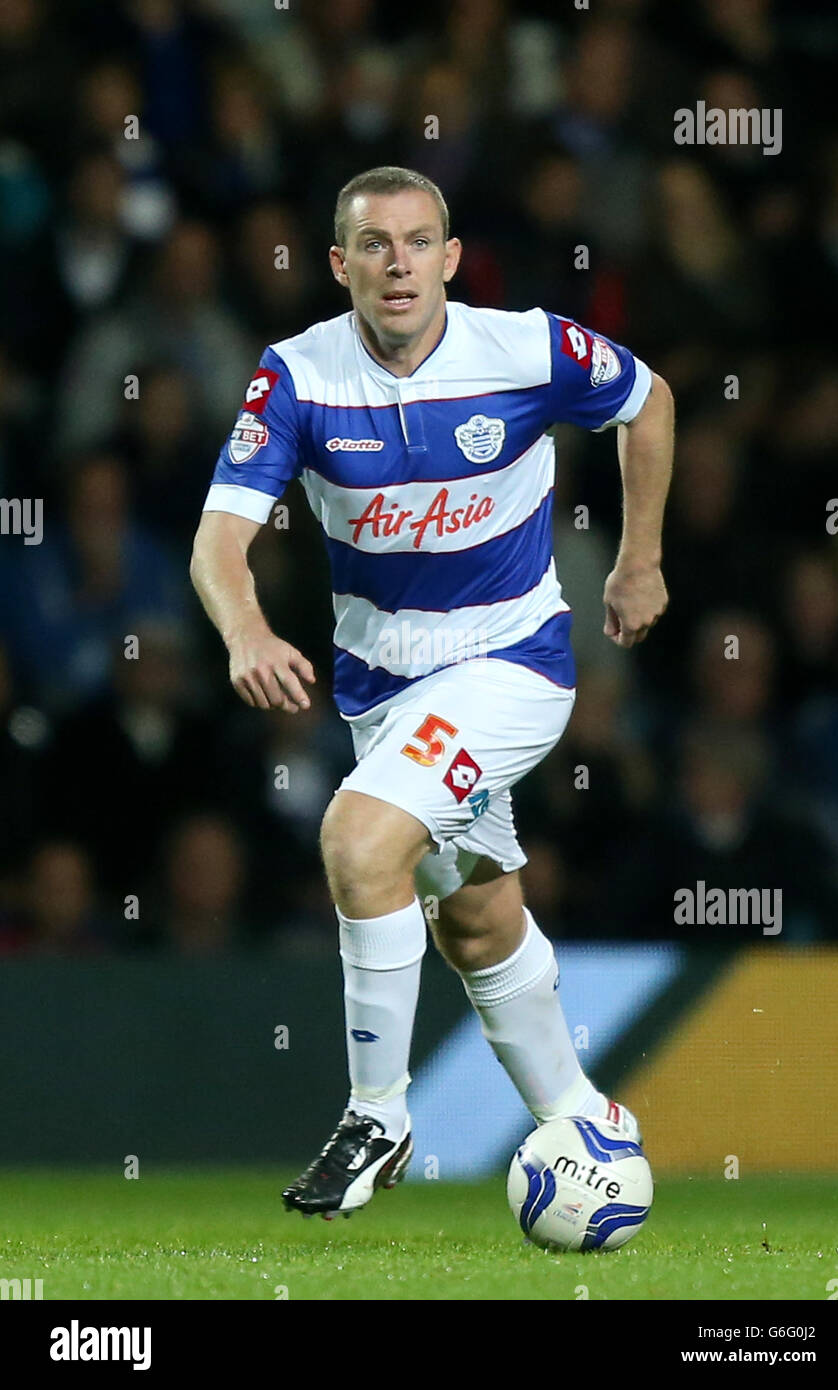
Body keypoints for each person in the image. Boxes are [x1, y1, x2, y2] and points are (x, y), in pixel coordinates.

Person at [189, 165, 673, 1220]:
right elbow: (218, 540)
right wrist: (245, 629)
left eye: (417, 243)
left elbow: (649, 402)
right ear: (340, 264)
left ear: (450, 261)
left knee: (360, 842)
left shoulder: (526, 348)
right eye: (373, 244)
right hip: (383, 694)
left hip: (511, 666)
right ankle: (584, 1122)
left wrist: (638, 560)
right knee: (476, 919)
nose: (397, 263)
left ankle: (378, 1114)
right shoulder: (297, 377)